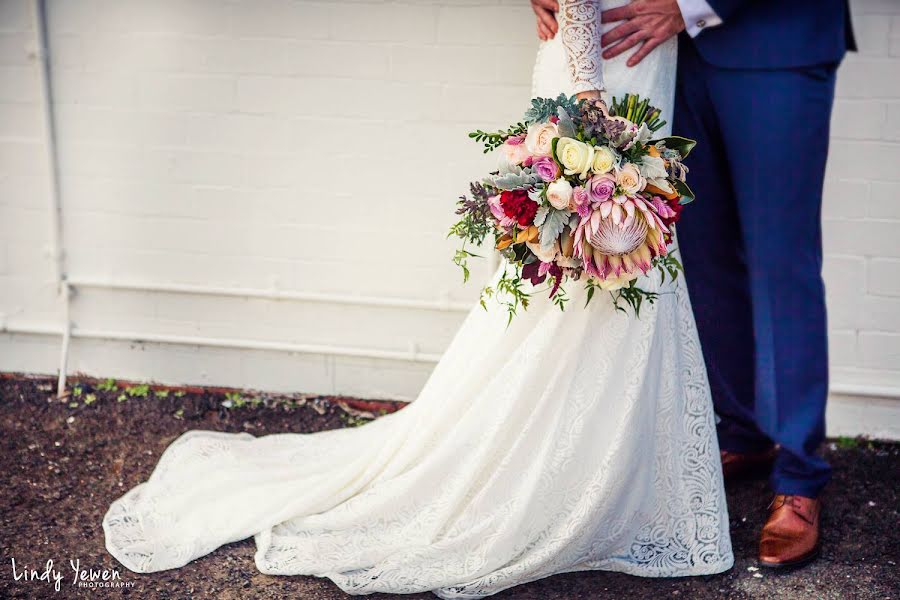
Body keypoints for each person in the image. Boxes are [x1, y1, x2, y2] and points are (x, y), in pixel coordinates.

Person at [103, 1, 733, 596]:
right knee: (583, 265)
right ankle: (552, 473)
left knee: (612, 264)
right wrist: (588, 96)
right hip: (602, 68)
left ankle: (598, 468)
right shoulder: (594, 82)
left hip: (630, 56)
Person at [532, 0, 855, 569]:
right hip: (659, 60)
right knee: (697, 256)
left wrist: (693, 5)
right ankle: (744, 431)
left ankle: (799, 473)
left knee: (781, 264)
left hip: (772, 39)